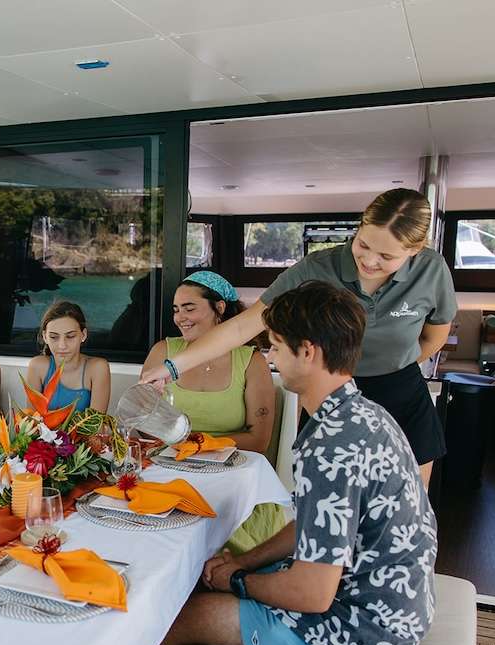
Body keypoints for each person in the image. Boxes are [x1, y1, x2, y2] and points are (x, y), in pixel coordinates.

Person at [104, 282, 437, 645]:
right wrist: (243, 561)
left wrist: (237, 581)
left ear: (308, 352)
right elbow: (313, 524)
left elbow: (312, 594)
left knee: (186, 615)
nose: (273, 358)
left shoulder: (331, 445)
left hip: (362, 634)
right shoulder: (365, 415)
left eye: (277, 346)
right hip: (396, 607)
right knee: (201, 582)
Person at [142, 189, 456, 484]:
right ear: (359, 227)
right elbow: (242, 327)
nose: (369, 261)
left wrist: (393, 366)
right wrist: (172, 367)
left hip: (401, 393)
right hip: (329, 393)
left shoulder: (431, 269)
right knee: (325, 494)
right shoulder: (318, 268)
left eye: (386, 256)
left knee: (406, 499)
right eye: (363, 245)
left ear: (414, 250)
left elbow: (434, 337)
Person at [140, 270, 283, 553]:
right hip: (169, 473)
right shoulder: (162, 352)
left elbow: (259, 441)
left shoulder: (251, 361)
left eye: (189, 308)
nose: (180, 317)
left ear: (219, 307)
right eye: (176, 310)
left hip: (231, 478)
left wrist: (193, 443)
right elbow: (143, 427)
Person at [25, 300, 111, 414]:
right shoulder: (37, 366)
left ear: (83, 335)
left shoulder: (97, 368)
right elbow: (31, 419)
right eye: (54, 337)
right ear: (45, 337)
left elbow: (96, 422)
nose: (62, 346)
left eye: (70, 336)